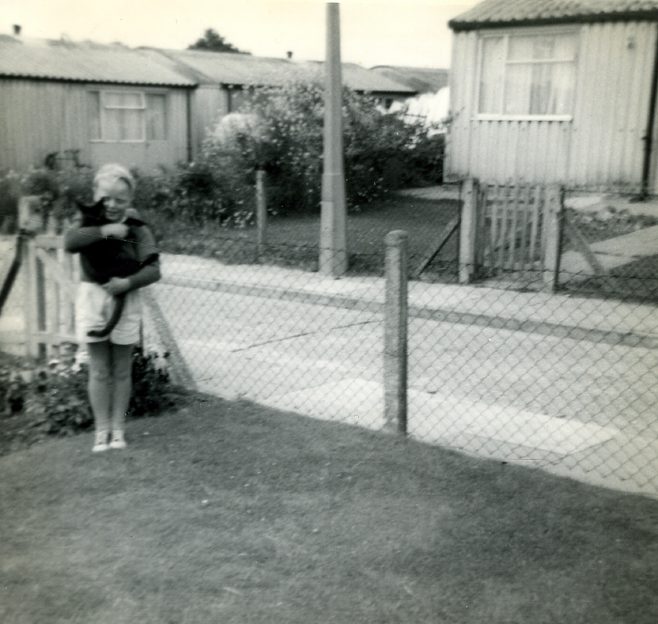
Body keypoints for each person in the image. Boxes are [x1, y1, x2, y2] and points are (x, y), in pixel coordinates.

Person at [65, 164, 161, 452]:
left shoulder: (137, 228)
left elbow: (154, 270)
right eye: (107, 197)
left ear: (130, 201)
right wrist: (106, 230)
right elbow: (70, 242)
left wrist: (128, 282)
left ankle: (118, 429)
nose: (112, 204)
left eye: (120, 199)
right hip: (92, 297)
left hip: (125, 296)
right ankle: (101, 431)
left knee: (121, 369)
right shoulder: (88, 221)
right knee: (99, 369)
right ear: (96, 195)